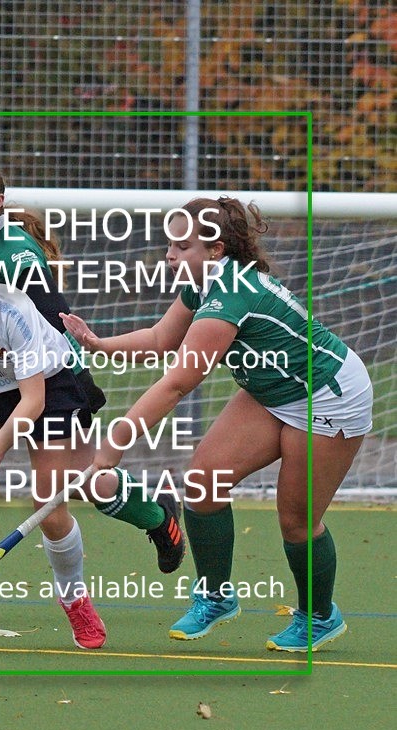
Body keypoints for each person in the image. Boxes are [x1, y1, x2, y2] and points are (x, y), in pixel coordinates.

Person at [61, 196, 373, 652]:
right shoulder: (201, 282)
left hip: (326, 394)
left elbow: (177, 383)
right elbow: (160, 339)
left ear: (215, 250)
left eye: (183, 246)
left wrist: (115, 443)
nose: (170, 255)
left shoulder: (231, 292)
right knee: (203, 483)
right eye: (170, 245)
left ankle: (320, 616)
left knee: (296, 520)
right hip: (271, 390)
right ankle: (216, 597)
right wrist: (97, 343)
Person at [0, 157, 182, 597]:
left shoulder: (13, 250)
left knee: (81, 484)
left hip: (50, 375)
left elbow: (48, 316)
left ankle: (159, 516)